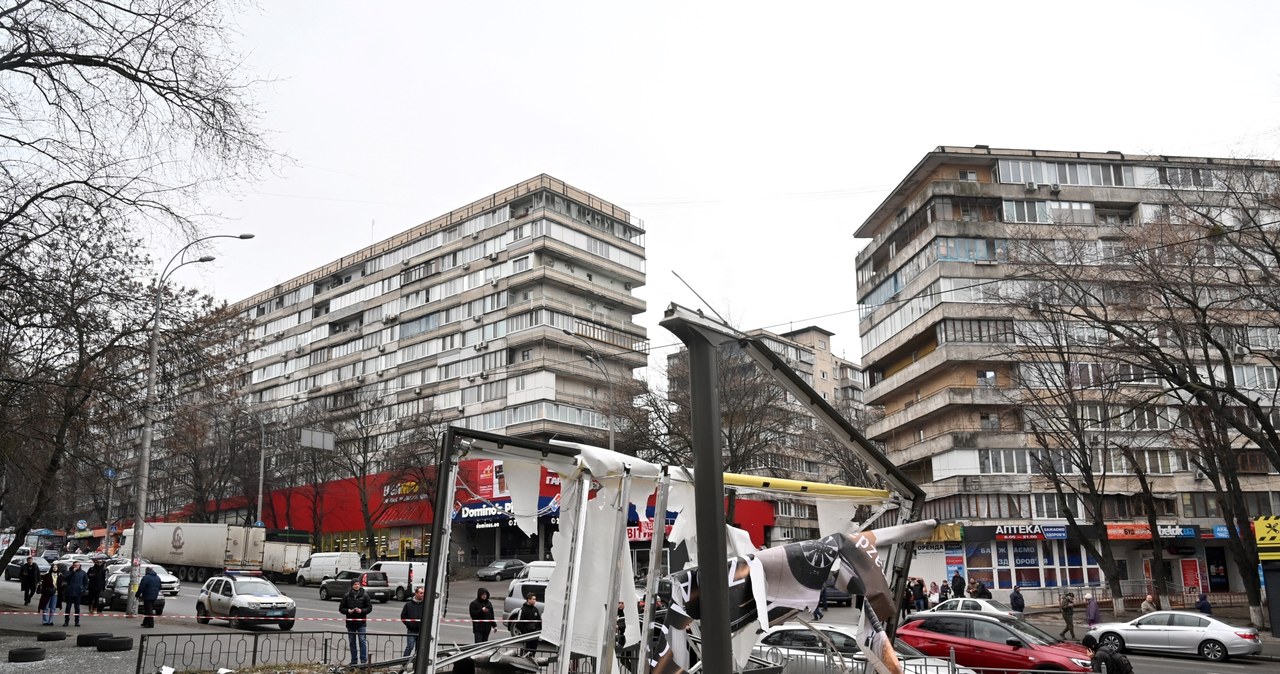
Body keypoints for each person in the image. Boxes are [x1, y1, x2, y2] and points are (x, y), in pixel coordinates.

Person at [339, 578, 373, 665]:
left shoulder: (365, 595)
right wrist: (348, 611)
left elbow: (369, 608)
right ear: (352, 586)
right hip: (350, 623)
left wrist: (361, 611)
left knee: (362, 641)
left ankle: (363, 661)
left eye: (358, 584)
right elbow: (341, 608)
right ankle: (354, 661)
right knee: (352, 642)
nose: (357, 586)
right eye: (355, 584)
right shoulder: (347, 596)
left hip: (361, 623)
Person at [400, 586, 425, 657]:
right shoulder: (408, 605)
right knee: (410, 646)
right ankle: (404, 662)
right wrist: (409, 624)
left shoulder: (425, 604)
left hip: (421, 631)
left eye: (423, 593)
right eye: (420, 593)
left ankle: (416, 665)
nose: (422, 595)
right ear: (416, 593)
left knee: (419, 649)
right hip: (411, 630)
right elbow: (403, 617)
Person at [62, 560, 88, 626]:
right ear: (73, 566)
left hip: (78, 593)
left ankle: (77, 621)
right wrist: (73, 572)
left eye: (78, 565)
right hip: (70, 592)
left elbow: (86, 583)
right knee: (68, 607)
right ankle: (66, 621)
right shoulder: (69, 572)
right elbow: (65, 578)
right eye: (75, 565)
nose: (77, 567)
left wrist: (83, 589)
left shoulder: (83, 573)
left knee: (77, 608)